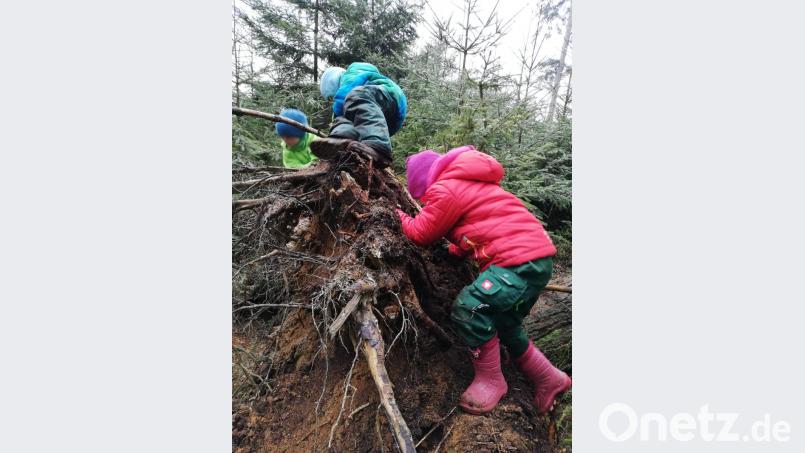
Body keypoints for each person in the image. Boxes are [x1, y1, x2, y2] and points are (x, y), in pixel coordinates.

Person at [395, 145, 571, 415]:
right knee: (506, 323)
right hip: (535, 260)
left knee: (469, 307)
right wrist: (456, 249)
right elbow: (480, 226)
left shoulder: (444, 189)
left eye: (421, 200)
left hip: (516, 263)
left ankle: (491, 380)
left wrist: (400, 217)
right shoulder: (469, 185)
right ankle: (549, 378)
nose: (423, 205)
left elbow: (421, 232)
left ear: (423, 185)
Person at [312, 62, 407, 168]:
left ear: (334, 83)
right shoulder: (355, 104)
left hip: (390, 97)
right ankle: (342, 142)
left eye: (331, 97)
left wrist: (336, 117)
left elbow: (344, 95)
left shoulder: (351, 74)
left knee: (355, 96)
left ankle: (379, 147)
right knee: (350, 112)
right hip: (383, 120)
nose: (333, 101)